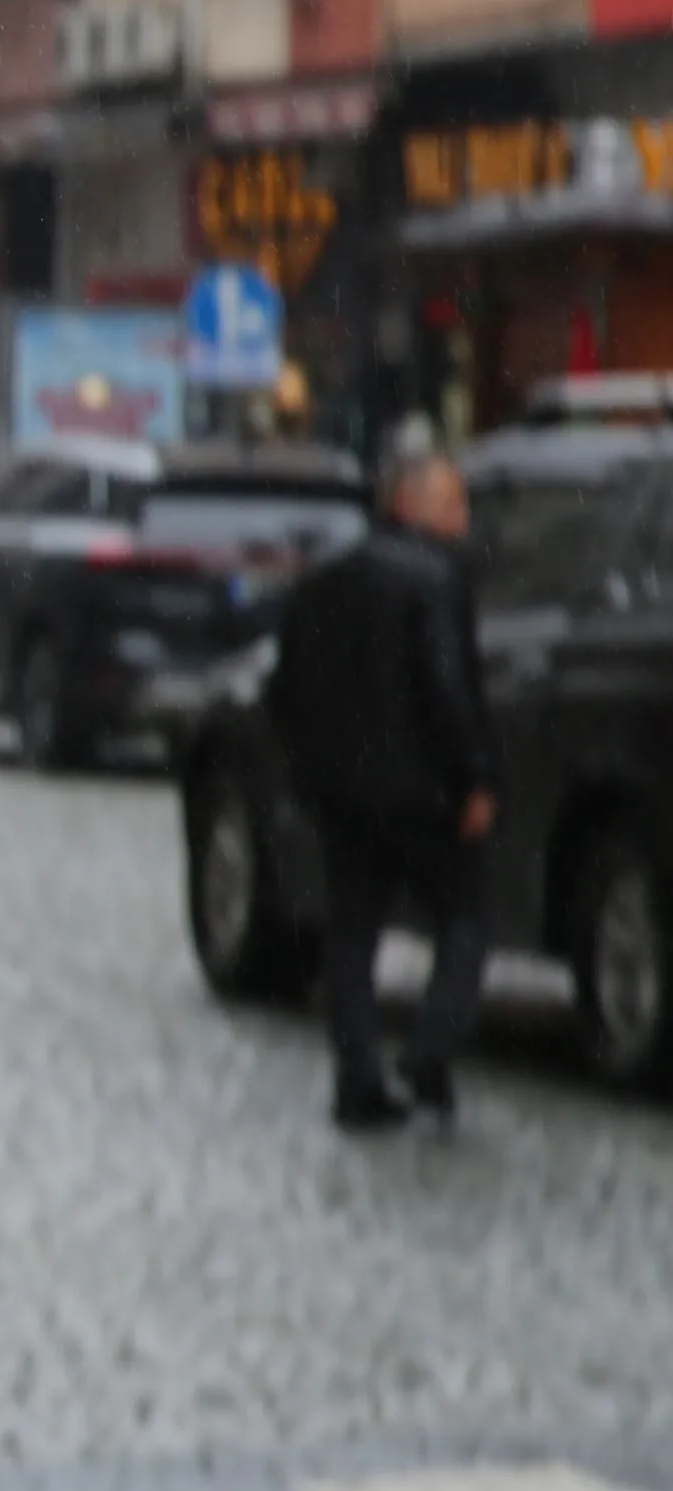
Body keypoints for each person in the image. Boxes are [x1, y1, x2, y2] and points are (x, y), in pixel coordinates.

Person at [267, 451, 499, 1131]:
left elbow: (288, 690)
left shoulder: (327, 580)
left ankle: (358, 1079)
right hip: (423, 792)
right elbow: (449, 687)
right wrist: (476, 775)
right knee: (464, 919)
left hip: (346, 793)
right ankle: (429, 1048)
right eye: (452, 505)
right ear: (412, 505)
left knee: (353, 935)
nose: (462, 520)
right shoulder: (437, 580)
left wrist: (309, 772)